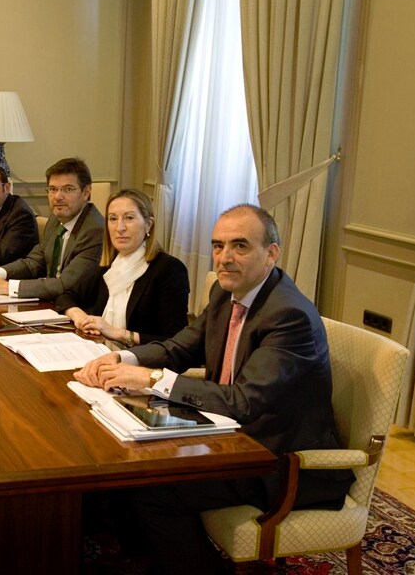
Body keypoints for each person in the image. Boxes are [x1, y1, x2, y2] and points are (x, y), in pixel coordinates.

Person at [74, 204, 354, 574]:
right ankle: (151, 554)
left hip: (277, 458)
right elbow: (179, 347)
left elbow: (244, 401)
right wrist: (123, 360)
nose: (224, 258)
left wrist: (154, 380)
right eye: (218, 246)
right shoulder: (227, 294)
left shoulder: (289, 316)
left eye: (239, 246)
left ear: (271, 253)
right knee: (123, 462)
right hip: (230, 432)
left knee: (153, 491)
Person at [56, 189, 189, 345]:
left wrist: (116, 333)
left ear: (148, 225)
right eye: (113, 219)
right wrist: (80, 317)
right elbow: (65, 297)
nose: (119, 228)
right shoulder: (109, 264)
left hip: (141, 363)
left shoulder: (169, 270)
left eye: (129, 218)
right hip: (98, 352)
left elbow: (175, 341)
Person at [0, 157, 103, 301]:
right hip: (51, 304)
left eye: (68, 189)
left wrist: (6, 287)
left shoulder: (95, 231)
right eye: (52, 189)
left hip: (81, 313)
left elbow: (65, 285)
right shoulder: (55, 220)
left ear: (86, 192)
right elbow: (34, 262)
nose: (58, 197)